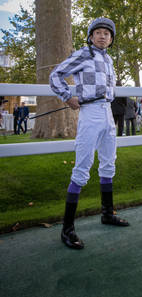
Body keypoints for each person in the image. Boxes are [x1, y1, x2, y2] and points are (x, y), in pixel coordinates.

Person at [50, 17, 129, 250]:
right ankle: (67, 229)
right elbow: (55, 75)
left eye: (107, 33)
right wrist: (67, 96)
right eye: (98, 32)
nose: (103, 36)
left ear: (111, 38)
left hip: (107, 113)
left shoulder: (109, 58)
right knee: (82, 167)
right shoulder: (84, 54)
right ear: (91, 36)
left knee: (108, 164)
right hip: (90, 113)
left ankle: (107, 213)